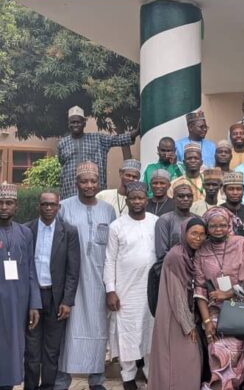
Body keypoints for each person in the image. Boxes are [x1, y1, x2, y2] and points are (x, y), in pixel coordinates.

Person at [55, 162, 115, 390]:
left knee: (98, 328)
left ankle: (97, 380)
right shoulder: (64, 207)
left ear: (99, 183)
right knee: (68, 330)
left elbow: (112, 249)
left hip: (98, 280)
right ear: (76, 183)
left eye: (93, 181)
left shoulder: (108, 210)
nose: (89, 185)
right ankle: (62, 380)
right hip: (71, 280)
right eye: (84, 181)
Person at [195, 207, 244, 390]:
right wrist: (206, 321)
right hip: (214, 310)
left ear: (229, 225)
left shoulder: (241, 244)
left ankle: (230, 386)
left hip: (239, 309)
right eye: (213, 226)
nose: (218, 229)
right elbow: (200, 288)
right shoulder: (202, 250)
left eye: (222, 225)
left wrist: (228, 294)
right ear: (207, 227)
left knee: (235, 354)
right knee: (215, 351)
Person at [23, 190, 80, 390]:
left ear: (59, 207)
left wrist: (67, 301)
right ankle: (30, 387)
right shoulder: (27, 230)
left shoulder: (69, 232)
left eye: (52, 204)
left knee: (51, 350)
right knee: (31, 350)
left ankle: (47, 386)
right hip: (32, 297)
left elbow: (73, 270)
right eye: (44, 204)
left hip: (56, 299)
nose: (48, 208)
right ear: (38, 206)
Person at [104, 181, 158, 389]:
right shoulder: (116, 226)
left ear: (147, 200)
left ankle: (151, 375)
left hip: (151, 289)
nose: (137, 201)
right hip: (126, 290)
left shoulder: (156, 222)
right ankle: (128, 377)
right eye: (133, 198)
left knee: (150, 331)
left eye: (140, 198)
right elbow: (109, 259)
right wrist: (111, 290)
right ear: (127, 201)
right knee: (127, 332)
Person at [148, 217, 206, 390]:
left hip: (184, 314)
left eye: (202, 234)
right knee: (182, 359)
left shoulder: (190, 254)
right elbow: (177, 295)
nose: (198, 238)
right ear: (184, 233)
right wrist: (188, 325)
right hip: (174, 317)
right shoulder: (176, 256)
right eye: (193, 233)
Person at [0, 183, 40, 390]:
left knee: (13, 349)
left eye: (9, 203)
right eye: (1, 203)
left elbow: (31, 269)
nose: (4, 207)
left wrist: (34, 304)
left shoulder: (25, 233)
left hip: (17, 303)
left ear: (16, 206)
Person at [57, 105, 137, 199]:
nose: (75, 125)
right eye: (73, 122)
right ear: (68, 124)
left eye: (78, 122)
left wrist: (136, 132)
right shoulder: (62, 143)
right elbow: (62, 163)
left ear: (84, 123)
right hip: (70, 192)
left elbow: (117, 140)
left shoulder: (98, 138)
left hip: (95, 193)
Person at [155, 182, 197, 259]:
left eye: (189, 196)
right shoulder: (164, 220)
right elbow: (162, 252)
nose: (186, 199)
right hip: (172, 264)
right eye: (181, 196)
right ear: (174, 198)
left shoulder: (198, 219)